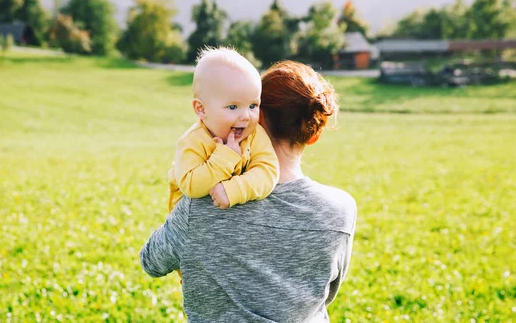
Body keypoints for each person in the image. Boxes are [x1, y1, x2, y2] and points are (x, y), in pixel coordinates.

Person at [140, 60, 357, 323]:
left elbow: (151, 262)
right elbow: (325, 294)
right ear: (314, 134)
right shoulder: (341, 211)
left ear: (259, 117)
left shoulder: (200, 204)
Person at [167, 47, 279, 212]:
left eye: (253, 105)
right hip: (192, 225)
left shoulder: (254, 135)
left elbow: (268, 171)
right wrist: (226, 158)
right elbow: (190, 185)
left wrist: (235, 189)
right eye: (233, 107)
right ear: (201, 109)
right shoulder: (192, 141)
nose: (246, 116)